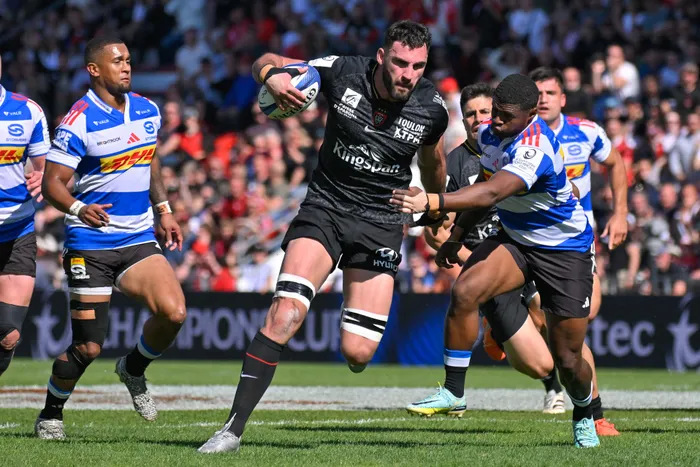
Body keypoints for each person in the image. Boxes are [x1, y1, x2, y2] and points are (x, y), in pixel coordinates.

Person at [198, 20, 449, 454]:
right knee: (285, 314)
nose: (408, 74)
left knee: (358, 353)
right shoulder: (342, 71)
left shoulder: (432, 109)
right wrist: (272, 76)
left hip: (381, 222)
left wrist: (435, 209)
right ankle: (231, 431)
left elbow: (433, 163)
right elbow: (267, 61)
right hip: (326, 208)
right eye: (400, 63)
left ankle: (347, 300)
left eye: (418, 66)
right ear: (382, 57)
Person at [391, 73, 600, 448]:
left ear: (530, 115)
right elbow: (480, 187)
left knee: (567, 359)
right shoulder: (490, 134)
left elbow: (491, 193)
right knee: (465, 291)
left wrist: (431, 201)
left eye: (505, 115)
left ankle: (584, 413)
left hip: (564, 250)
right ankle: (454, 392)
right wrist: (456, 236)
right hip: (517, 239)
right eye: (495, 112)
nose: (496, 121)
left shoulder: (536, 147)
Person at [34, 36, 187, 440]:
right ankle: (50, 414)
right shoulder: (78, 120)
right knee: (88, 347)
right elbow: (52, 184)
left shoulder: (147, 109)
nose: (126, 66)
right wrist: (77, 208)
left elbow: (150, 159)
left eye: (129, 60)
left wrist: (164, 209)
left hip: (137, 237)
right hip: (91, 243)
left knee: (174, 313)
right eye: (117, 61)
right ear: (94, 70)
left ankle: (133, 369)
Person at [405, 83, 565, 418]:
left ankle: (577, 399)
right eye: (470, 114)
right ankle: (550, 382)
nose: (479, 119)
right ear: (462, 120)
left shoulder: (526, 145)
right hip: (489, 260)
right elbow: (437, 232)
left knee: (555, 314)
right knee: (536, 363)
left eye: (485, 112)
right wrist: (467, 255)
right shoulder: (453, 164)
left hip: (533, 247)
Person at [526, 66, 629, 435]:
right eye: (537, 93)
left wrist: (620, 213)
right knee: (558, 325)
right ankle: (594, 416)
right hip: (530, 241)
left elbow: (616, 163)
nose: (543, 99)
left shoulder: (585, 132)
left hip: (575, 243)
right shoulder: (521, 135)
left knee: (577, 322)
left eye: (550, 93)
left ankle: (508, 319)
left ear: (563, 98)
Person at [0, 55, 50, 378]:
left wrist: (43, 177)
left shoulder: (28, 111)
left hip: (17, 231)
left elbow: (46, 170)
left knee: (8, 336)